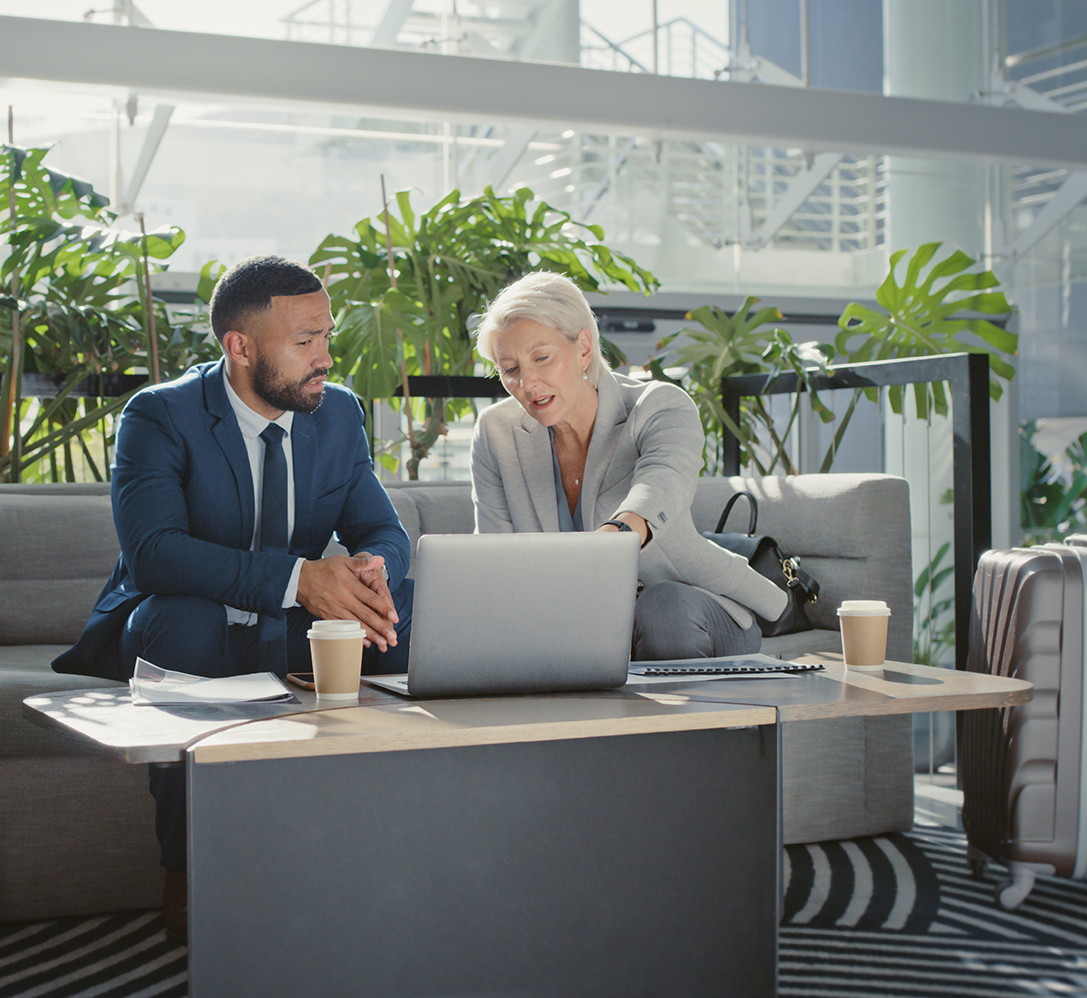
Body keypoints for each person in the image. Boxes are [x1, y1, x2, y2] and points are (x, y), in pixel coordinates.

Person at [53, 255, 414, 943]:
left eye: (327, 336)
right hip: (192, 616)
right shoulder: (160, 415)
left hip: (298, 624)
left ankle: (401, 856)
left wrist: (373, 571)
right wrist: (299, 578)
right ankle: (187, 871)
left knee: (411, 612)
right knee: (178, 624)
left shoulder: (336, 414)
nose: (326, 357)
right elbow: (155, 552)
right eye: (305, 341)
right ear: (239, 347)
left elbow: (383, 528)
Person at [468, 271, 785, 660]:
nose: (527, 383)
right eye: (511, 370)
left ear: (584, 348)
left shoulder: (659, 406)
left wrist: (614, 537)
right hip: (580, 623)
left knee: (661, 607)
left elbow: (661, 484)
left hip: (692, 607)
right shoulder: (497, 432)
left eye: (542, 358)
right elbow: (496, 559)